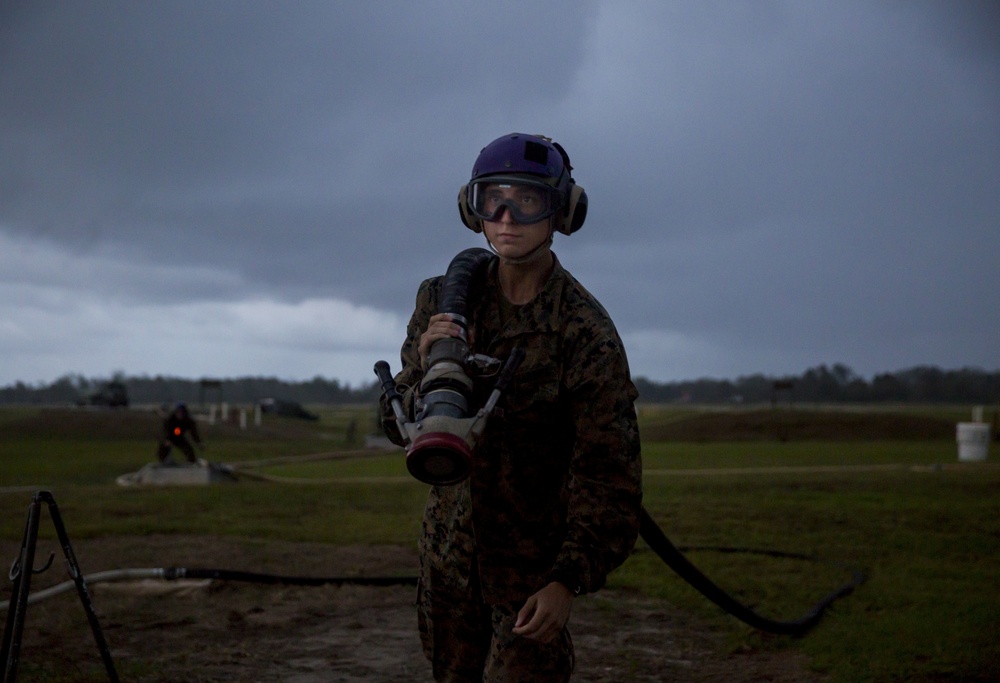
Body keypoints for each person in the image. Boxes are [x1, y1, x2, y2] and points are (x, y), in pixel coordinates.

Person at [381, 132, 643, 681]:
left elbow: (609, 475)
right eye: (492, 199)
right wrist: (425, 369)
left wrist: (566, 580)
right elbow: (394, 424)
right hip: (449, 561)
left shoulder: (584, 332)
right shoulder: (441, 300)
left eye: (526, 201)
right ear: (470, 205)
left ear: (563, 212)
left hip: (531, 573)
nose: (505, 217)